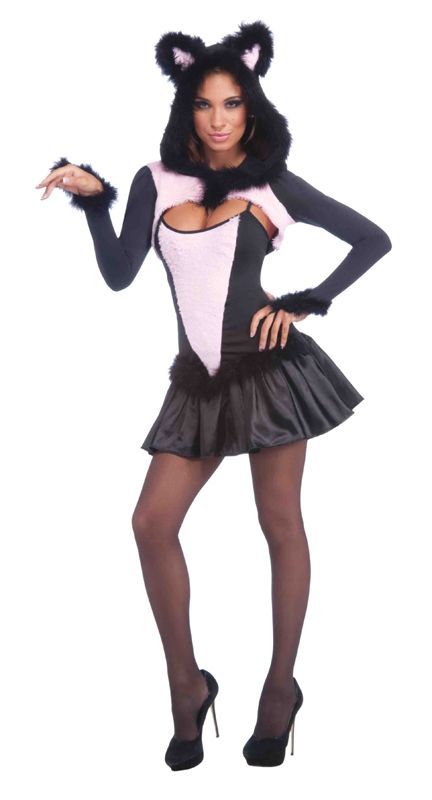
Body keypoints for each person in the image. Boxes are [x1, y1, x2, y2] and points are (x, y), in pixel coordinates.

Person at [36, 20, 392, 770]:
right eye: (204, 104)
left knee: (279, 521)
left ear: (251, 106)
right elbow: (119, 274)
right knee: (150, 523)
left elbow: (372, 239)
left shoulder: (273, 184)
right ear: (186, 107)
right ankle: (187, 686)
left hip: (271, 372)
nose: (220, 119)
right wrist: (96, 200)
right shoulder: (155, 180)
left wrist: (305, 302)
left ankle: (279, 690)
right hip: (197, 381)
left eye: (233, 103)